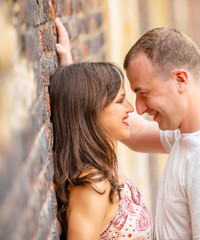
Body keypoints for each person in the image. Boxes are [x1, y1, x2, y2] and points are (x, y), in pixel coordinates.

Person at [55, 19, 200, 239]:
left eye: (144, 93)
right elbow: (134, 132)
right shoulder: (197, 130)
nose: (137, 108)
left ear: (179, 80)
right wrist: (76, 91)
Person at [50, 62, 153, 240]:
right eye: (120, 101)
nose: (130, 108)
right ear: (91, 110)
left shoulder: (109, 169)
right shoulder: (93, 186)